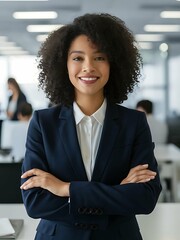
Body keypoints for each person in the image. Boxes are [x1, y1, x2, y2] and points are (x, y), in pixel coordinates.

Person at [20, 13, 162, 240]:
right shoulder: (43, 123)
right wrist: (117, 192)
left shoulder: (133, 123)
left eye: (99, 57)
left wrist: (66, 189)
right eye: (77, 58)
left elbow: (145, 198)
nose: (88, 67)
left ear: (113, 64)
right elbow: (35, 202)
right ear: (63, 64)